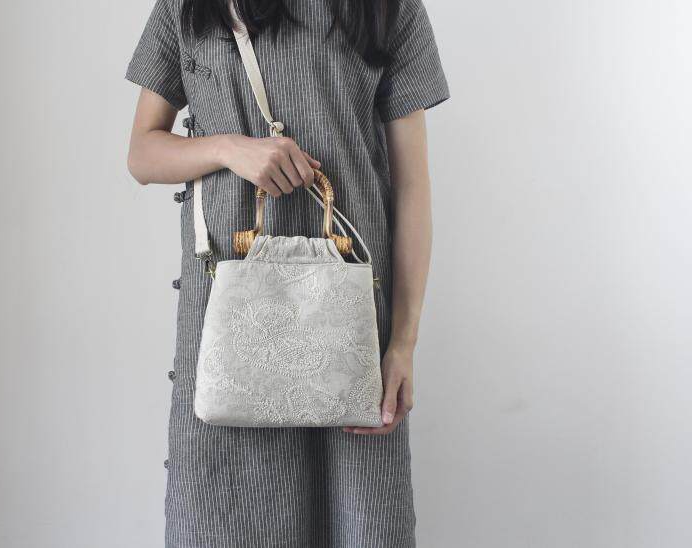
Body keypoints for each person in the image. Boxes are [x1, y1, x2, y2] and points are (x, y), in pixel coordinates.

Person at [125, 0, 449, 545]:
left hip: (350, 327)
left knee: (358, 519)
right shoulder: (188, 6)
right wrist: (229, 148)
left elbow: (412, 187)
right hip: (228, 321)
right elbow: (141, 153)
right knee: (223, 522)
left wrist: (403, 343)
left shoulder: (389, 8)